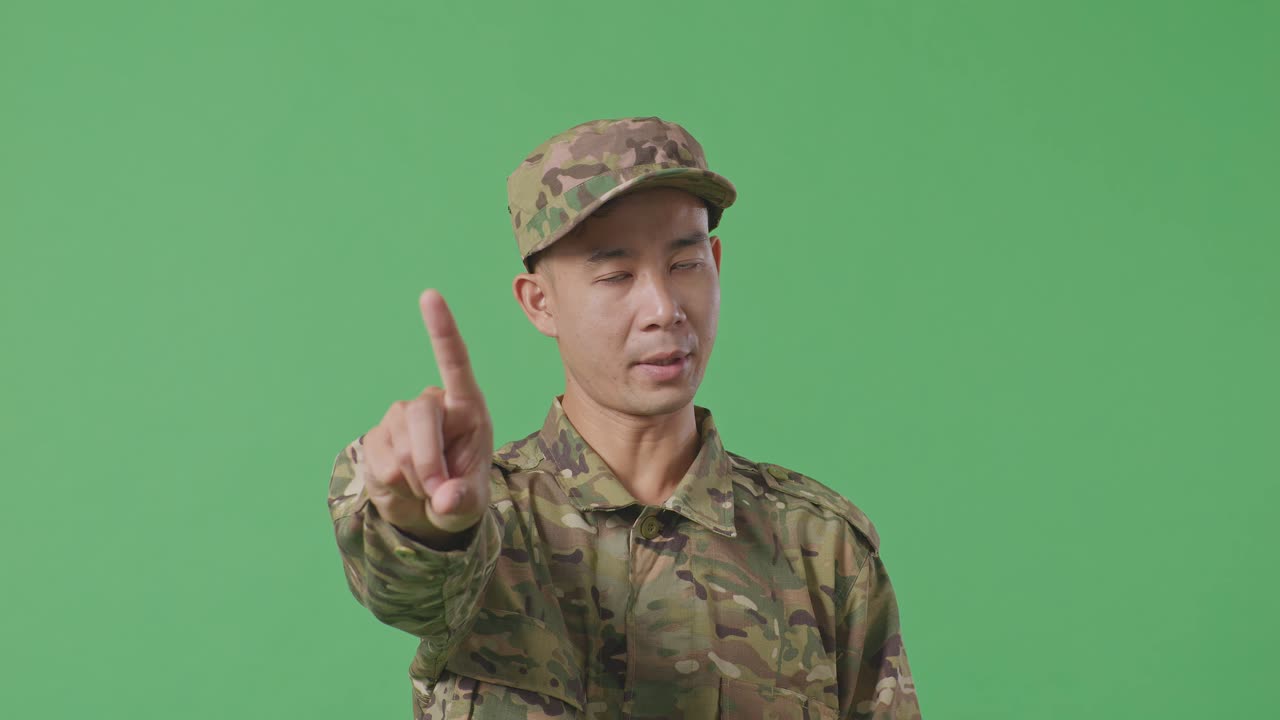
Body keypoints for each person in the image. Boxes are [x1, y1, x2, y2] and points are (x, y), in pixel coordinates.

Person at [327, 116, 922, 719]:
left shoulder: (821, 547)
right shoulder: (493, 522)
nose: (664, 308)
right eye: (616, 275)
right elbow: (409, 586)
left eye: (686, 264)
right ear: (540, 302)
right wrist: (421, 527)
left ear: (716, 262)